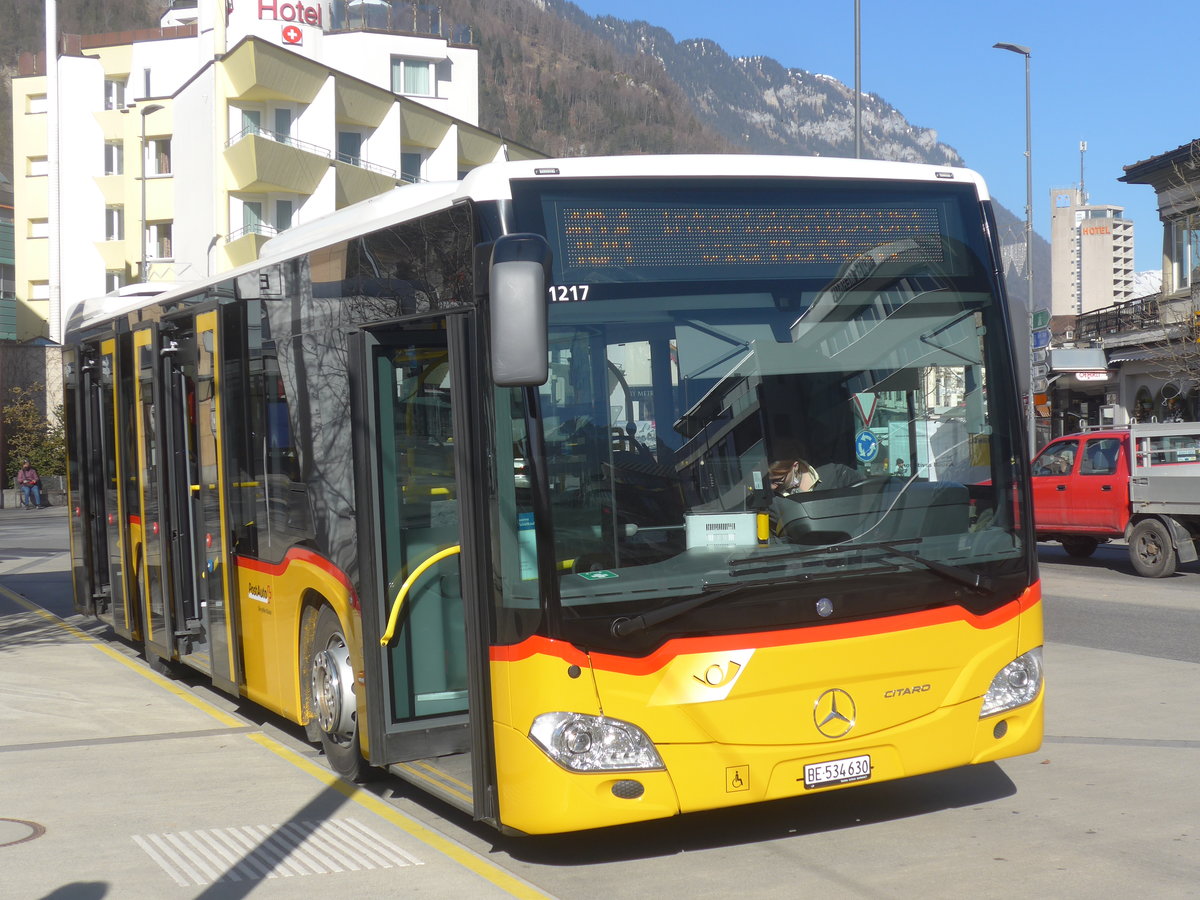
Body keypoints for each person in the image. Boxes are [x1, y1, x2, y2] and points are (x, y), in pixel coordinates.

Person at [768, 457, 859, 497]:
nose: (772, 487)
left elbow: (867, 493)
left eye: (778, 480)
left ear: (795, 466)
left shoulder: (836, 474)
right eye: (768, 482)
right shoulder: (771, 498)